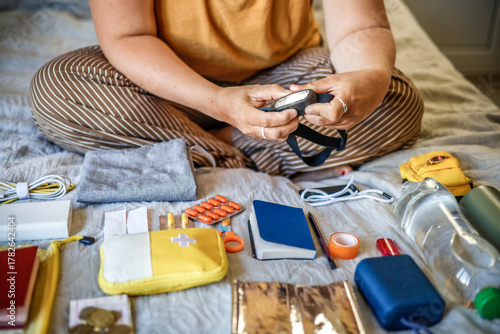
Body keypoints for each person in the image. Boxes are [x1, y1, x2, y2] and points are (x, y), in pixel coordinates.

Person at [30, 0, 423, 181]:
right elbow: (129, 36)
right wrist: (217, 102)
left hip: (284, 76)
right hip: (168, 85)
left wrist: (369, 76)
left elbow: (359, 28)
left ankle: (207, 149)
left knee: (397, 98)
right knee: (56, 89)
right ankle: (247, 148)